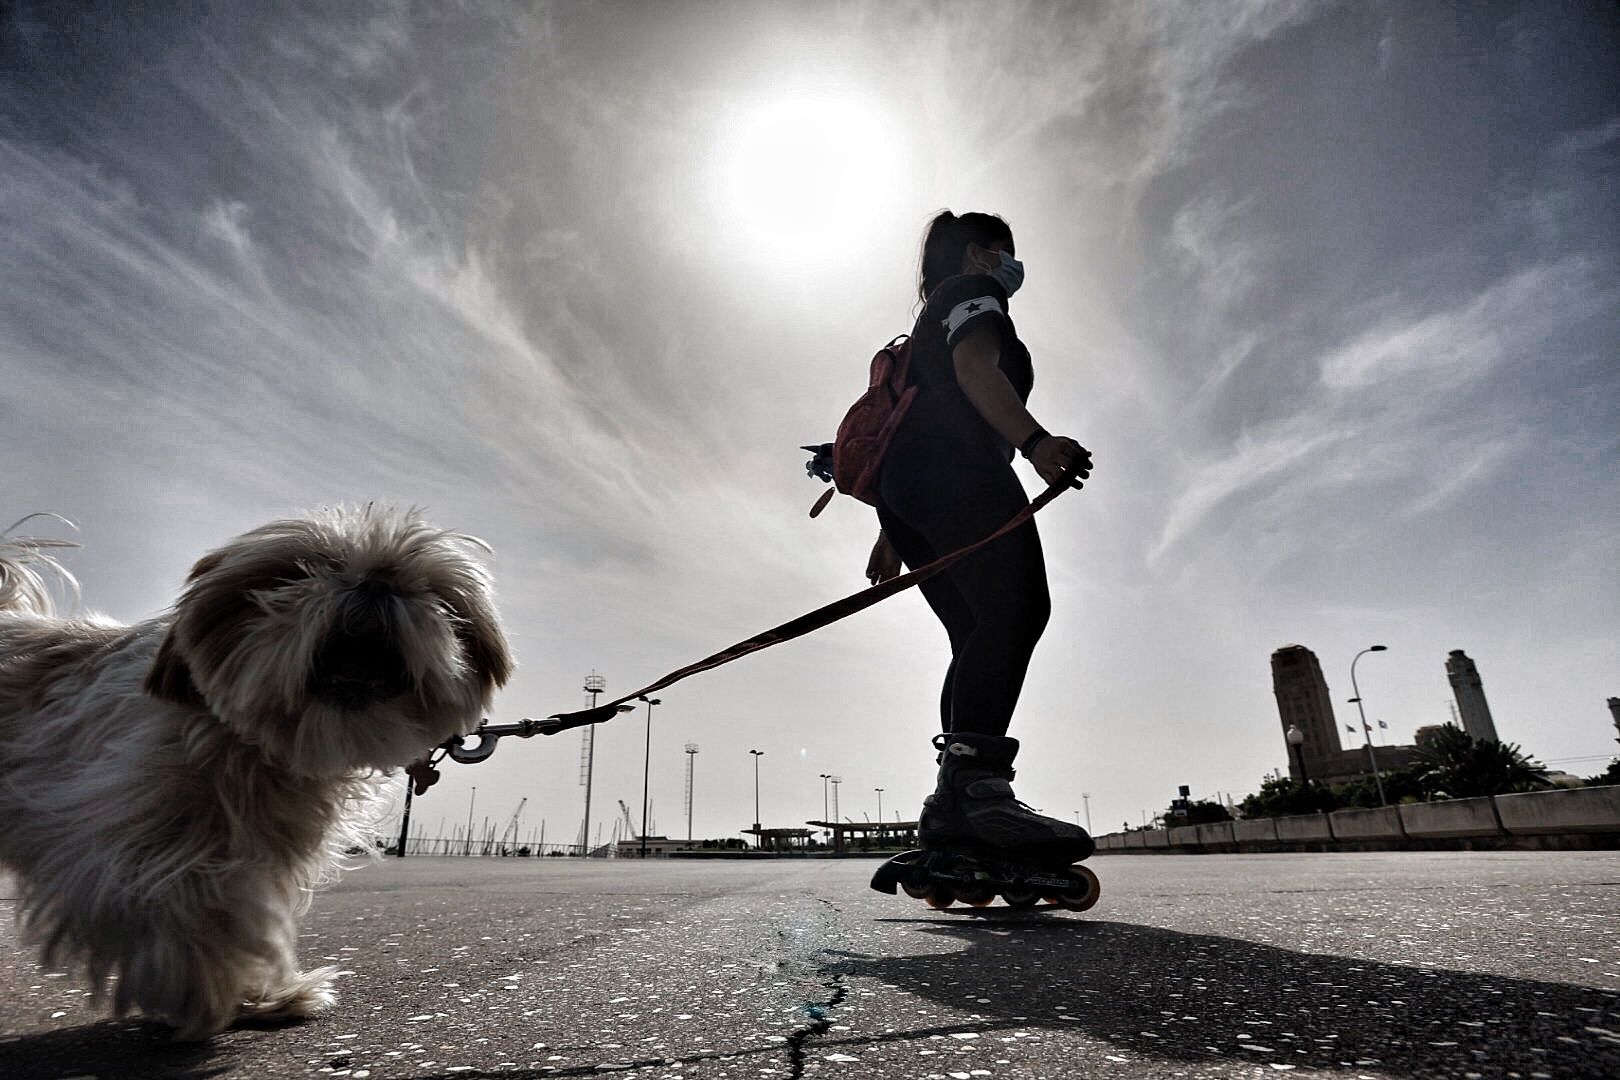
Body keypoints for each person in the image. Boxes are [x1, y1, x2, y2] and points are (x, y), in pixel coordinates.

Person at [866, 210, 1094, 867]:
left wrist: (894, 529)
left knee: (974, 635)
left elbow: (912, 415)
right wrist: (1035, 440)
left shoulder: (926, 320)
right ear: (978, 255)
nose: (1014, 267)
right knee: (1018, 611)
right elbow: (973, 371)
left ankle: (953, 808)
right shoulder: (974, 293)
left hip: (912, 492)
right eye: (1006, 253)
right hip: (959, 469)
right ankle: (977, 794)